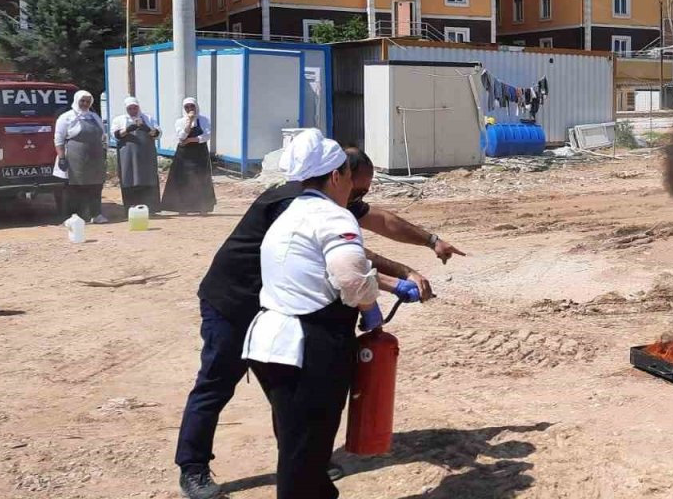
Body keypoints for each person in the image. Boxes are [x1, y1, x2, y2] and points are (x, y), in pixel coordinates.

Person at [175, 131, 463, 499]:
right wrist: (394, 281)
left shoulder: (323, 196)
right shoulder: (295, 203)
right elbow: (348, 263)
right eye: (358, 191)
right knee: (217, 383)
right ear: (337, 176)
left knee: (290, 398)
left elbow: (381, 221)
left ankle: (303, 463)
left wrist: (430, 240)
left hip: (279, 306)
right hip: (235, 302)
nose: (359, 201)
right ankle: (193, 467)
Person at [53, 89, 109, 224]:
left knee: (95, 186)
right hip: (74, 158)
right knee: (75, 188)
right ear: (77, 101)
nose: (85, 104)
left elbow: (103, 137)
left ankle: (96, 214)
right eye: (82, 101)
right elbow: (59, 139)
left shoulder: (94, 117)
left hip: (94, 157)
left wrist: (104, 153)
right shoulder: (66, 117)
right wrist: (61, 157)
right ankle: (72, 217)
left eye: (88, 101)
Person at [162, 97, 216, 215]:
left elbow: (206, 136)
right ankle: (182, 207)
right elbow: (181, 137)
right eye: (187, 107)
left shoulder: (204, 120)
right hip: (184, 153)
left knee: (200, 177)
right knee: (183, 179)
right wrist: (189, 123)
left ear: (196, 107)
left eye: (192, 106)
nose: (190, 109)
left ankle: (203, 206)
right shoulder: (180, 122)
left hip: (199, 152)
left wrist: (191, 139)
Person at [111, 97, 162, 213]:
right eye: (130, 108)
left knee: (147, 177)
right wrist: (128, 129)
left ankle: (150, 208)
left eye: (135, 107)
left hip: (146, 154)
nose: (133, 110)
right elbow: (115, 135)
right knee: (129, 177)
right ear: (126, 109)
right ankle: (131, 208)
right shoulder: (119, 120)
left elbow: (158, 134)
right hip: (127, 154)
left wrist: (146, 128)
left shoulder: (148, 118)